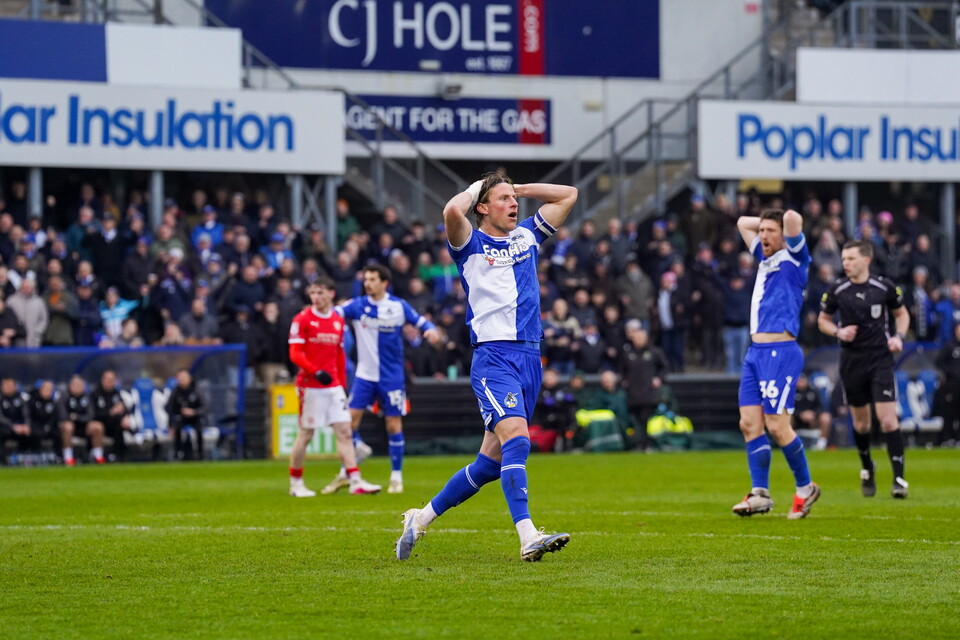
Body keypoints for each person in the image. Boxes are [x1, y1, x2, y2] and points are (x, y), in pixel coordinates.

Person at [397, 172, 577, 562]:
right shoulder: (470, 243)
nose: (514, 204)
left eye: (514, 199)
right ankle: (528, 535)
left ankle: (420, 518)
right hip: (494, 357)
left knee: (489, 465)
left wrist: (518, 188)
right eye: (503, 199)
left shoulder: (527, 235)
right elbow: (451, 210)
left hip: (530, 357)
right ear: (482, 207)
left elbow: (568, 194)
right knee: (518, 440)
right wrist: (475, 188)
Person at [732, 208, 821, 519]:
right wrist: (768, 224)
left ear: (785, 235)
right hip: (756, 353)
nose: (763, 236)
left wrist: (780, 224)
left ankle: (805, 488)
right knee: (748, 424)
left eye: (771, 231)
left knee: (778, 426)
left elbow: (793, 217)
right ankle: (760, 494)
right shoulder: (764, 257)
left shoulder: (795, 258)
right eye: (763, 231)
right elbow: (742, 223)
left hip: (780, 351)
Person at [321, 264, 440, 495]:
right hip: (364, 376)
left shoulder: (398, 306)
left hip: (391, 377)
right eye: (366, 279)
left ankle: (396, 476)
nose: (367, 283)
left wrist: (430, 330)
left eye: (373, 279)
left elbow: (421, 322)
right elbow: (334, 314)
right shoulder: (357, 305)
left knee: (393, 424)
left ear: (384, 283)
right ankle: (349, 468)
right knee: (348, 423)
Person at [817, 240, 910, 498]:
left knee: (888, 419)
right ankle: (867, 467)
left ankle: (899, 478)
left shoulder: (884, 287)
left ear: (866, 260)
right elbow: (823, 320)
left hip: (880, 358)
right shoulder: (838, 289)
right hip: (852, 361)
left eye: (850, 258)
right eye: (843, 259)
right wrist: (838, 332)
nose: (845, 263)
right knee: (861, 423)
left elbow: (902, 314)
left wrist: (899, 337)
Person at [287, 278, 381, 497]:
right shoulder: (302, 319)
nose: (316, 297)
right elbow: (295, 354)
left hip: (333, 386)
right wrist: (315, 371)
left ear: (331, 293)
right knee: (306, 433)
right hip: (310, 385)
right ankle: (296, 483)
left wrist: (341, 384)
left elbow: (339, 355)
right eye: (313, 293)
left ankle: (355, 481)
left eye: (320, 292)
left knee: (345, 432)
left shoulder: (337, 321)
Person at [57, 375, 105, 465]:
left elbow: (91, 415)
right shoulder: (64, 396)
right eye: (76, 385)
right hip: (69, 426)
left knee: (98, 426)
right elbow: (62, 415)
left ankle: (98, 456)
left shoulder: (87, 397)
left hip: (84, 425)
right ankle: (68, 457)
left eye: (80, 385)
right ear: (70, 385)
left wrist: (77, 417)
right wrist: (73, 419)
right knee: (68, 426)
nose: (78, 387)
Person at [90, 369, 135, 462]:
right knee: (117, 424)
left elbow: (123, 407)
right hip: (102, 423)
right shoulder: (95, 394)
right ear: (103, 380)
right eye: (108, 380)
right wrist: (110, 412)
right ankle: (114, 455)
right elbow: (94, 414)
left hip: (116, 424)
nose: (110, 382)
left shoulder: (116, 393)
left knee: (121, 423)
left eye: (112, 380)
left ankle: (118, 455)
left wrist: (125, 415)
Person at [165, 369, 208, 461]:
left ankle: (200, 454)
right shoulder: (175, 392)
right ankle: (178, 454)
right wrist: (170, 425)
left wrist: (194, 412)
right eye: (179, 378)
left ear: (189, 378)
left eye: (183, 377)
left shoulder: (197, 390)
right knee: (177, 428)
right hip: (182, 418)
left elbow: (205, 407)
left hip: (195, 417)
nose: (181, 380)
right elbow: (170, 409)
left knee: (199, 429)